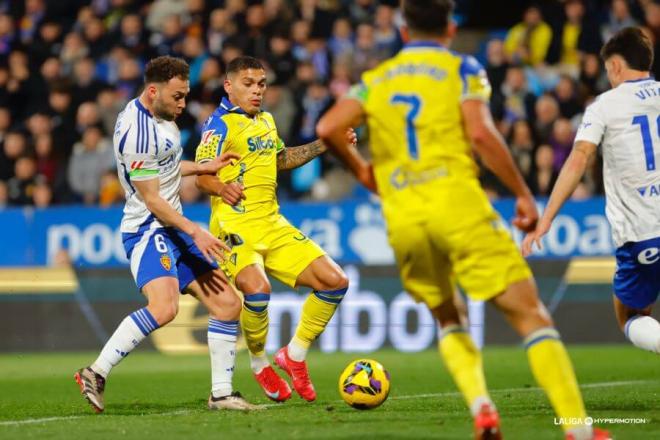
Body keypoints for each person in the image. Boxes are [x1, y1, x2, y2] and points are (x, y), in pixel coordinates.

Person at [316, 1, 609, 439]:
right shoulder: (462, 68)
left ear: (402, 29)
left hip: (404, 218)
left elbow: (327, 127)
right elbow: (479, 132)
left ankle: (482, 407)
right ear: (451, 27)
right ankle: (579, 431)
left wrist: (362, 170)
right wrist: (524, 194)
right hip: (458, 205)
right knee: (531, 316)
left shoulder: (375, 80)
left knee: (448, 317)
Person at [74, 56, 259, 413]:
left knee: (227, 304)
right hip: (148, 227)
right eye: (177, 96)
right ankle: (95, 372)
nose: (183, 104)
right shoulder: (137, 132)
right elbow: (153, 200)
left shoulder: (163, 117)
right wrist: (197, 232)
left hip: (173, 226)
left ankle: (221, 394)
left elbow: (167, 166)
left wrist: (203, 167)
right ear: (154, 90)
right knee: (165, 307)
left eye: (185, 95)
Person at [195, 56, 354, 403]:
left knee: (335, 281)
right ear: (229, 85)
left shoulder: (266, 120)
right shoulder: (219, 125)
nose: (257, 90)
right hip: (234, 225)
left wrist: (326, 144)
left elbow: (280, 160)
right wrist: (221, 188)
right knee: (257, 288)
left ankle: (294, 356)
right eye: (248, 83)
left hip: (272, 221)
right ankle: (259, 362)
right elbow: (202, 174)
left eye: (261, 84)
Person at [523, 27, 660, 355]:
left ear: (614, 67)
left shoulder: (604, 106)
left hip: (643, 233)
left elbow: (578, 159)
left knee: (630, 313)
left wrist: (546, 218)